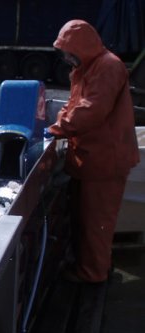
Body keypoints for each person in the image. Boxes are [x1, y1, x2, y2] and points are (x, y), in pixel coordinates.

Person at [48, 19, 140, 283]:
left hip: (105, 160)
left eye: (68, 51)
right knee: (86, 220)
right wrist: (60, 121)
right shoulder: (85, 67)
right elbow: (74, 104)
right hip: (91, 158)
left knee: (96, 224)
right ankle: (93, 266)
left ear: (81, 46)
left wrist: (57, 129)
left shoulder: (108, 66)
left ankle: (93, 275)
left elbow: (91, 110)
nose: (66, 57)